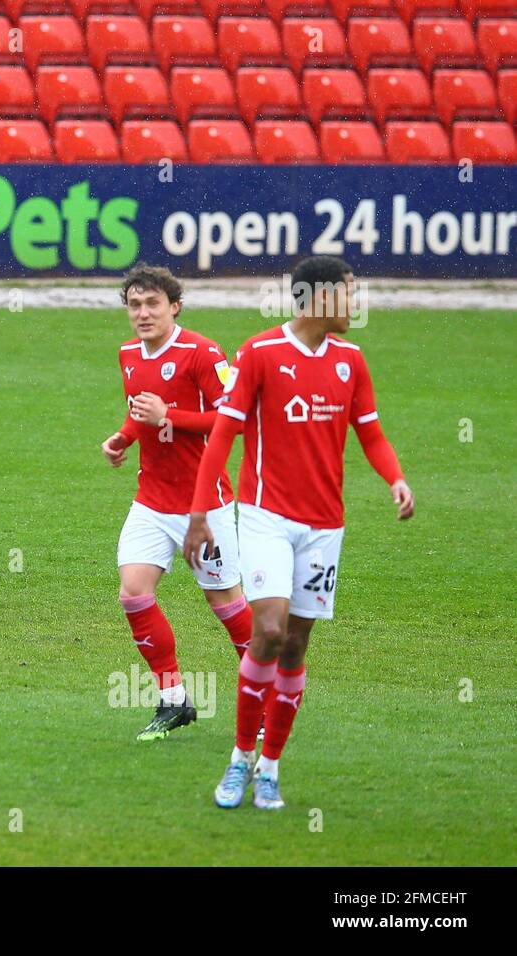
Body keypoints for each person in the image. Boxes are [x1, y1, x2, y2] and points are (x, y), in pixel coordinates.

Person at [184, 256, 414, 811]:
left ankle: (271, 766)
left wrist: (396, 478)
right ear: (318, 298)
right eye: (350, 294)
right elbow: (222, 436)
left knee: (295, 644)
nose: (356, 306)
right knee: (267, 627)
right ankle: (240, 757)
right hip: (266, 517)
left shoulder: (351, 362)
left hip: (324, 528)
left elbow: (372, 434)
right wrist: (199, 513)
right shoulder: (259, 353)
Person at [100, 264, 254, 741]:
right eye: (134, 305)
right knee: (134, 592)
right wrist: (125, 437)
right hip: (151, 499)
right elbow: (140, 412)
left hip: (203, 505)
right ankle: (173, 700)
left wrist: (172, 416)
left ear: (174, 306)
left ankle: (267, 692)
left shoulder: (202, 353)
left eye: (152, 304)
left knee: (223, 600)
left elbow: (234, 420)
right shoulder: (128, 353)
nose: (143, 313)